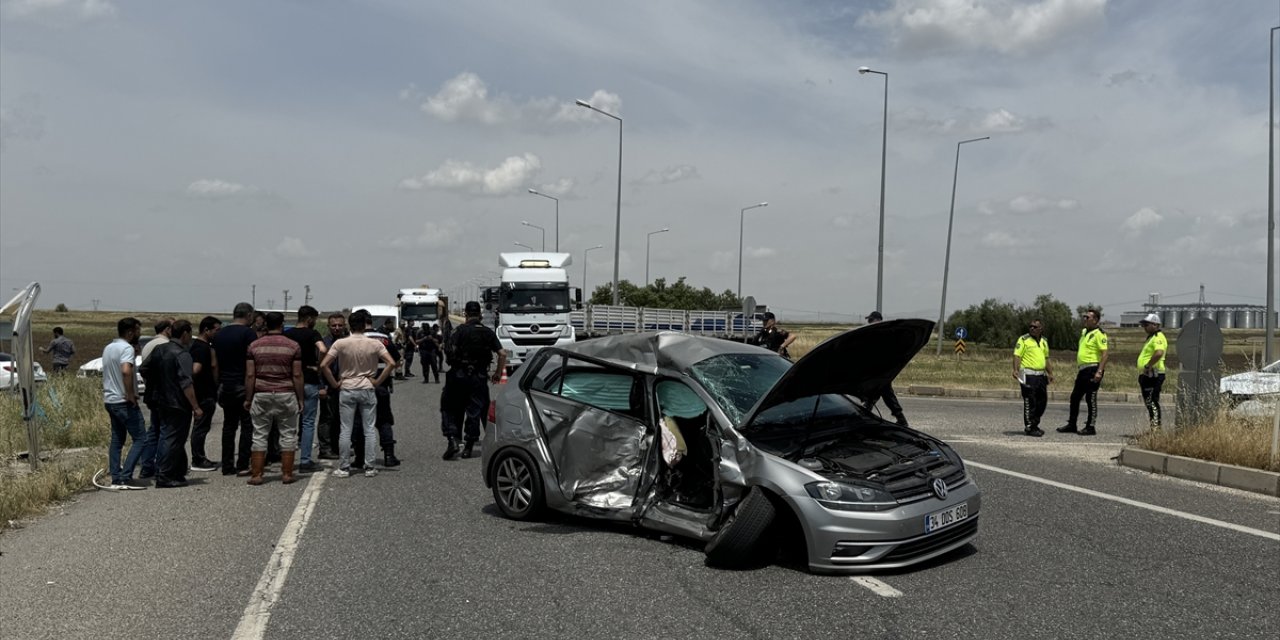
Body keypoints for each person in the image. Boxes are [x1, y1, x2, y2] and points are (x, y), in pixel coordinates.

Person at [319, 309, 396, 478]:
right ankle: (370, 467)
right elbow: (391, 363)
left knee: (346, 429)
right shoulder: (375, 344)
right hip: (367, 387)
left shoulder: (341, 344)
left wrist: (334, 383)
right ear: (365, 325)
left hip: (347, 387)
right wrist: (377, 380)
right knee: (369, 429)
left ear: (349, 326)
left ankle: (344, 467)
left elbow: (324, 365)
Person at [440, 301, 507, 460]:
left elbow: (449, 350)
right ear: (480, 315)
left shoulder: (459, 331)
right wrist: (497, 373)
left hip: (458, 375)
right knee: (474, 410)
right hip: (479, 377)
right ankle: (468, 447)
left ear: (465, 314)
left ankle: (452, 440)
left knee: (449, 407)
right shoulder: (488, 332)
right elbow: (502, 354)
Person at [245, 312, 303, 485]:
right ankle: (286, 474)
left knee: (259, 434)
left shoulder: (254, 346)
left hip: (261, 393)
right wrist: (300, 398)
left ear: (265, 325)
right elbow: (297, 374)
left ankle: (257, 475)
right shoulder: (293, 346)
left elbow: (250, 375)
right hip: (286, 393)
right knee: (288, 434)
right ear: (282, 324)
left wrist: (248, 398)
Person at [150, 320, 203, 488]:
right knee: (173, 439)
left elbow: (145, 369)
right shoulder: (182, 354)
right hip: (177, 403)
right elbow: (186, 383)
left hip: (160, 400)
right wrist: (196, 407)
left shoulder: (159, 349)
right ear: (185, 333)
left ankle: (175, 472)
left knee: (168, 436)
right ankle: (164, 475)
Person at [212, 302, 258, 476]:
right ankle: (243, 464)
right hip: (242, 383)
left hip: (225, 385)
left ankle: (227, 464)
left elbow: (214, 363)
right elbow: (251, 362)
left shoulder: (219, 334)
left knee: (229, 425)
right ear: (248, 315)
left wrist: (218, 384)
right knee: (247, 425)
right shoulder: (248, 333)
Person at [103, 317, 146, 488]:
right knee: (141, 438)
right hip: (123, 401)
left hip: (110, 399)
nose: (139, 334)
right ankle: (126, 476)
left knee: (117, 439)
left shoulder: (109, 347)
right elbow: (126, 371)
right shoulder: (126, 348)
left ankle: (116, 476)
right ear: (130, 332)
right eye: (137, 331)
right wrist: (130, 394)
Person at [285, 305, 327, 473]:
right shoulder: (313, 334)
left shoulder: (287, 334)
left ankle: (286, 460)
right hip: (309, 379)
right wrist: (319, 365)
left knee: (288, 423)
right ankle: (305, 460)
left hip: (290, 381)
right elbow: (323, 349)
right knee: (308, 422)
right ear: (309, 319)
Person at [1059, 309, 1108, 436]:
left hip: (1093, 369)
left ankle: (1090, 427)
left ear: (1096, 320)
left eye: (1088, 317)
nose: (1085, 319)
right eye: (1084, 317)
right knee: (1075, 397)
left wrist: (1099, 371)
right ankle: (1072, 424)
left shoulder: (1100, 334)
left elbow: (1105, 354)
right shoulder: (1084, 332)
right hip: (1083, 370)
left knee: (1090, 398)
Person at [138, 318, 174, 480]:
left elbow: (144, 369)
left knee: (153, 431)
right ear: (167, 329)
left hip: (151, 393)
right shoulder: (163, 345)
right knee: (164, 432)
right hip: (163, 394)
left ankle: (147, 466)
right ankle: (161, 466)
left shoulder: (148, 344)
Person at [364, 319, 402, 467]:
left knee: (359, 422)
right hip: (381, 384)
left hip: (358, 385)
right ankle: (389, 455)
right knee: (384, 420)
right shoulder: (384, 338)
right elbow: (396, 361)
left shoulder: (352, 338)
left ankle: (360, 458)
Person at [861, 311, 909, 427]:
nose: (869, 322)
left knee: (884, 391)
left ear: (877, 320)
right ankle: (866, 412)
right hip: (878, 371)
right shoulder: (875, 334)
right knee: (877, 392)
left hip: (883, 371)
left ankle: (900, 418)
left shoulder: (885, 334)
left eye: (871, 320)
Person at [188, 316, 222, 471]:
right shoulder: (202, 348)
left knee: (202, 426)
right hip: (204, 393)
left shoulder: (201, 346)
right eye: (216, 330)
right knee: (200, 427)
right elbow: (196, 369)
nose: (218, 333)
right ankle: (198, 459)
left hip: (203, 392)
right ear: (206, 330)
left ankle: (199, 457)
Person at [1013, 319, 1054, 437]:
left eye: (1035, 327)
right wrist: (1015, 370)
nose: (1032, 328)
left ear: (1041, 329)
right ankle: (1030, 427)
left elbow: (1046, 358)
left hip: (1041, 375)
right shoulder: (1023, 339)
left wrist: (1050, 373)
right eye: (1030, 326)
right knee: (1029, 401)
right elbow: (1017, 355)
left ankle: (1035, 424)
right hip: (1027, 374)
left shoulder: (1044, 341)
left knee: (1042, 401)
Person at [315, 312, 347, 460]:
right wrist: (321, 386)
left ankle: (337, 446)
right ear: (328, 326)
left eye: (340, 325)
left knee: (341, 418)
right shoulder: (324, 344)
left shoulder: (348, 342)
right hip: (328, 386)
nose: (337, 328)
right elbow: (319, 367)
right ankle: (325, 448)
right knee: (327, 418)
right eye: (334, 325)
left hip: (345, 386)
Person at [1137, 313, 1167, 430]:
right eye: (1143, 324)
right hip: (1147, 375)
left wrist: (1148, 365)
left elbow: (1159, 353)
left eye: (1146, 324)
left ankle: (1155, 430)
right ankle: (1154, 428)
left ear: (1155, 325)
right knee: (1149, 402)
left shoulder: (1158, 337)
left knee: (1153, 402)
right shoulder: (1151, 337)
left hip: (1153, 374)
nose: (1144, 327)